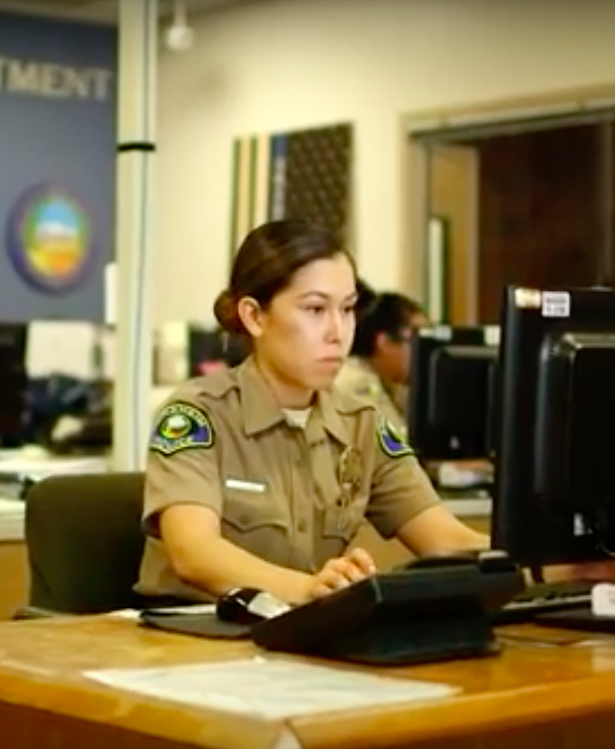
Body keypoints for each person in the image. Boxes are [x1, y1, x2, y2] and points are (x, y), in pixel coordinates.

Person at [136, 219, 488, 605]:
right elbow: (195, 553)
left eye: (348, 309)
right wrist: (307, 588)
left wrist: (548, 562)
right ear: (254, 316)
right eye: (316, 309)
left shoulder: (362, 425)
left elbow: (447, 540)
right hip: (191, 641)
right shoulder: (197, 416)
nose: (339, 332)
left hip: (297, 643)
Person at [336, 287, 427, 434]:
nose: (424, 354)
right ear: (384, 343)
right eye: (417, 343)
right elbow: (395, 449)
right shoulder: (355, 387)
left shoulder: (392, 384)